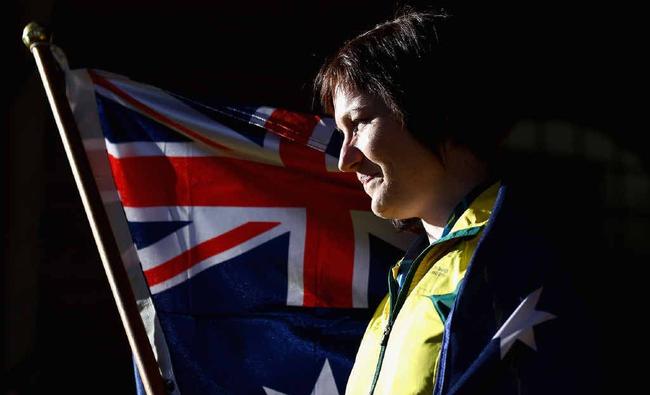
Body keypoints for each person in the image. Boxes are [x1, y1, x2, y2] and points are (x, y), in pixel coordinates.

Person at [314, 9, 602, 395]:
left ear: (430, 108)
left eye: (360, 122)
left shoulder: (527, 260)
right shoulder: (405, 280)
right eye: (341, 132)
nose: (345, 159)